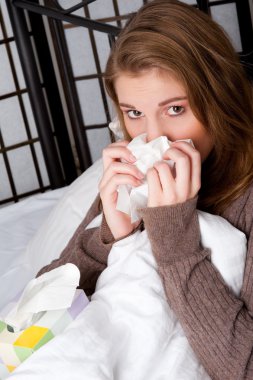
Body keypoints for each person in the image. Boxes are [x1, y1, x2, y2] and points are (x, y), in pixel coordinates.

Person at [37, 0, 253, 379]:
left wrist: (174, 233)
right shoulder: (133, 173)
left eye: (175, 110)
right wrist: (107, 237)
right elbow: (33, 323)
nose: (154, 137)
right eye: (134, 113)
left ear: (219, 97)